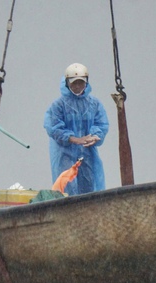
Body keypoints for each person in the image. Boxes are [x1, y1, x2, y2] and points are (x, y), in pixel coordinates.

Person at [44, 63, 109, 195]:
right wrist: (73, 139)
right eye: (74, 83)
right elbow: (53, 127)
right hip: (65, 154)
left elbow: (101, 123)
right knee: (66, 187)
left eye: (81, 83)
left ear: (86, 82)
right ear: (67, 83)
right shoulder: (58, 105)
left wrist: (96, 135)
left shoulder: (94, 104)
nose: (78, 87)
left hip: (87, 153)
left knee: (89, 187)